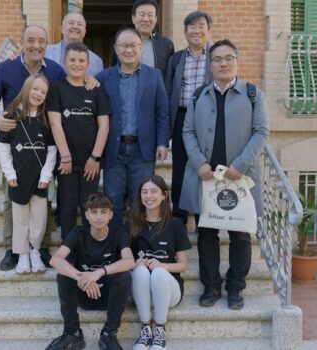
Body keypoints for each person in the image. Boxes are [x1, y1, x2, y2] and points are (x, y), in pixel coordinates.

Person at [180, 39, 269, 309]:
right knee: (206, 233)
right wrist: (199, 163)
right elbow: (188, 131)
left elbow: (261, 132)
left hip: (238, 177)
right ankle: (211, 287)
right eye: (217, 59)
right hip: (206, 178)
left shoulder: (253, 94)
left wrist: (240, 165)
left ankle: (235, 288)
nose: (223, 63)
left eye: (228, 57)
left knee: (240, 234)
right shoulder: (198, 95)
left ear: (236, 61)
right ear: (210, 64)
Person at [0, 25, 66, 271]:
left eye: (41, 41)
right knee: (13, 197)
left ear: (47, 44)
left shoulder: (56, 71)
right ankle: (13, 250)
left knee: (43, 198)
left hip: (44, 142)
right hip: (15, 143)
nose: (36, 45)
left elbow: (67, 92)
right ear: (22, 42)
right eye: (31, 40)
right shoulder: (6, 68)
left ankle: (41, 247)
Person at [96, 28, 170, 226]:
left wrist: (162, 143)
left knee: (142, 199)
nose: (128, 50)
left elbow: (162, 112)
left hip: (142, 148)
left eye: (133, 45)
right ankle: (117, 246)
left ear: (140, 49)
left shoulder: (154, 76)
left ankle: (138, 245)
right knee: (113, 198)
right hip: (114, 148)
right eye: (124, 45)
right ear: (116, 49)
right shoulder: (103, 77)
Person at [46, 192, 135, 350]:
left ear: (110, 215)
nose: (98, 217)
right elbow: (56, 260)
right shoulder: (78, 232)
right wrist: (82, 277)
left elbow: (129, 261)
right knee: (64, 276)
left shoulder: (118, 232)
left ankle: (109, 333)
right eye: (94, 212)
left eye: (103, 212)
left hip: (109, 297)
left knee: (123, 276)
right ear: (86, 215)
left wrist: (98, 272)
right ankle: (72, 333)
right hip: (83, 294)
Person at [46, 42, 110, 241]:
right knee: (67, 208)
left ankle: (88, 248)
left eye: (81, 60)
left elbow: (104, 125)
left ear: (88, 63)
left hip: (90, 162)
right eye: (72, 60)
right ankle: (68, 250)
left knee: (89, 208)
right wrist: (65, 156)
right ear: (64, 62)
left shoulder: (96, 89)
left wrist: (95, 157)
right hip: (66, 162)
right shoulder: (56, 89)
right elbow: (55, 124)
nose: (76, 64)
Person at [0, 74, 56, 274]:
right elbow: (4, 149)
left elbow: (51, 150)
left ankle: (35, 251)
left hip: (39, 179)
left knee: (39, 217)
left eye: (43, 92)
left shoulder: (46, 119)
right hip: (18, 178)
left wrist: (46, 176)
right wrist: (9, 173)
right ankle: (22, 254)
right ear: (26, 88)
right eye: (35, 89)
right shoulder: (11, 117)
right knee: (20, 217)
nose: (38, 94)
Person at [129, 175, 191, 350]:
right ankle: (145, 328)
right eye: (144, 192)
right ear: (140, 196)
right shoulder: (133, 223)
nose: (149, 196)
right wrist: (136, 263)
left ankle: (160, 330)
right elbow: (124, 261)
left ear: (164, 195)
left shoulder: (175, 224)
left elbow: (183, 265)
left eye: (154, 191)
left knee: (158, 272)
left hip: (168, 291)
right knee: (140, 271)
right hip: (142, 293)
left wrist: (163, 266)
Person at [165, 11, 213, 227]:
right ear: (185, 32)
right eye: (191, 26)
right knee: (180, 168)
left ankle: (206, 215)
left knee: (206, 165)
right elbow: (168, 91)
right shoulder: (176, 59)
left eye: (201, 25)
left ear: (208, 30)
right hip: (182, 117)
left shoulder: (216, 56)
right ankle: (180, 216)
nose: (196, 30)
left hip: (209, 119)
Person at [111, 0, 174, 76]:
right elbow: (113, 71)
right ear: (133, 18)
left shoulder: (167, 45)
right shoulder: (120, 43)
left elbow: (170, 76)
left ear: (156, 19)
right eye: (142, 14)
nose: (146, 19)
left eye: (150, 15)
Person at [46, 12, 104, 76]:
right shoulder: (46, 52)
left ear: (84, 32)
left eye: (79, 24)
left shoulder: (96, 61)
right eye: (71, 23)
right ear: (62, 29)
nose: (75, 26)